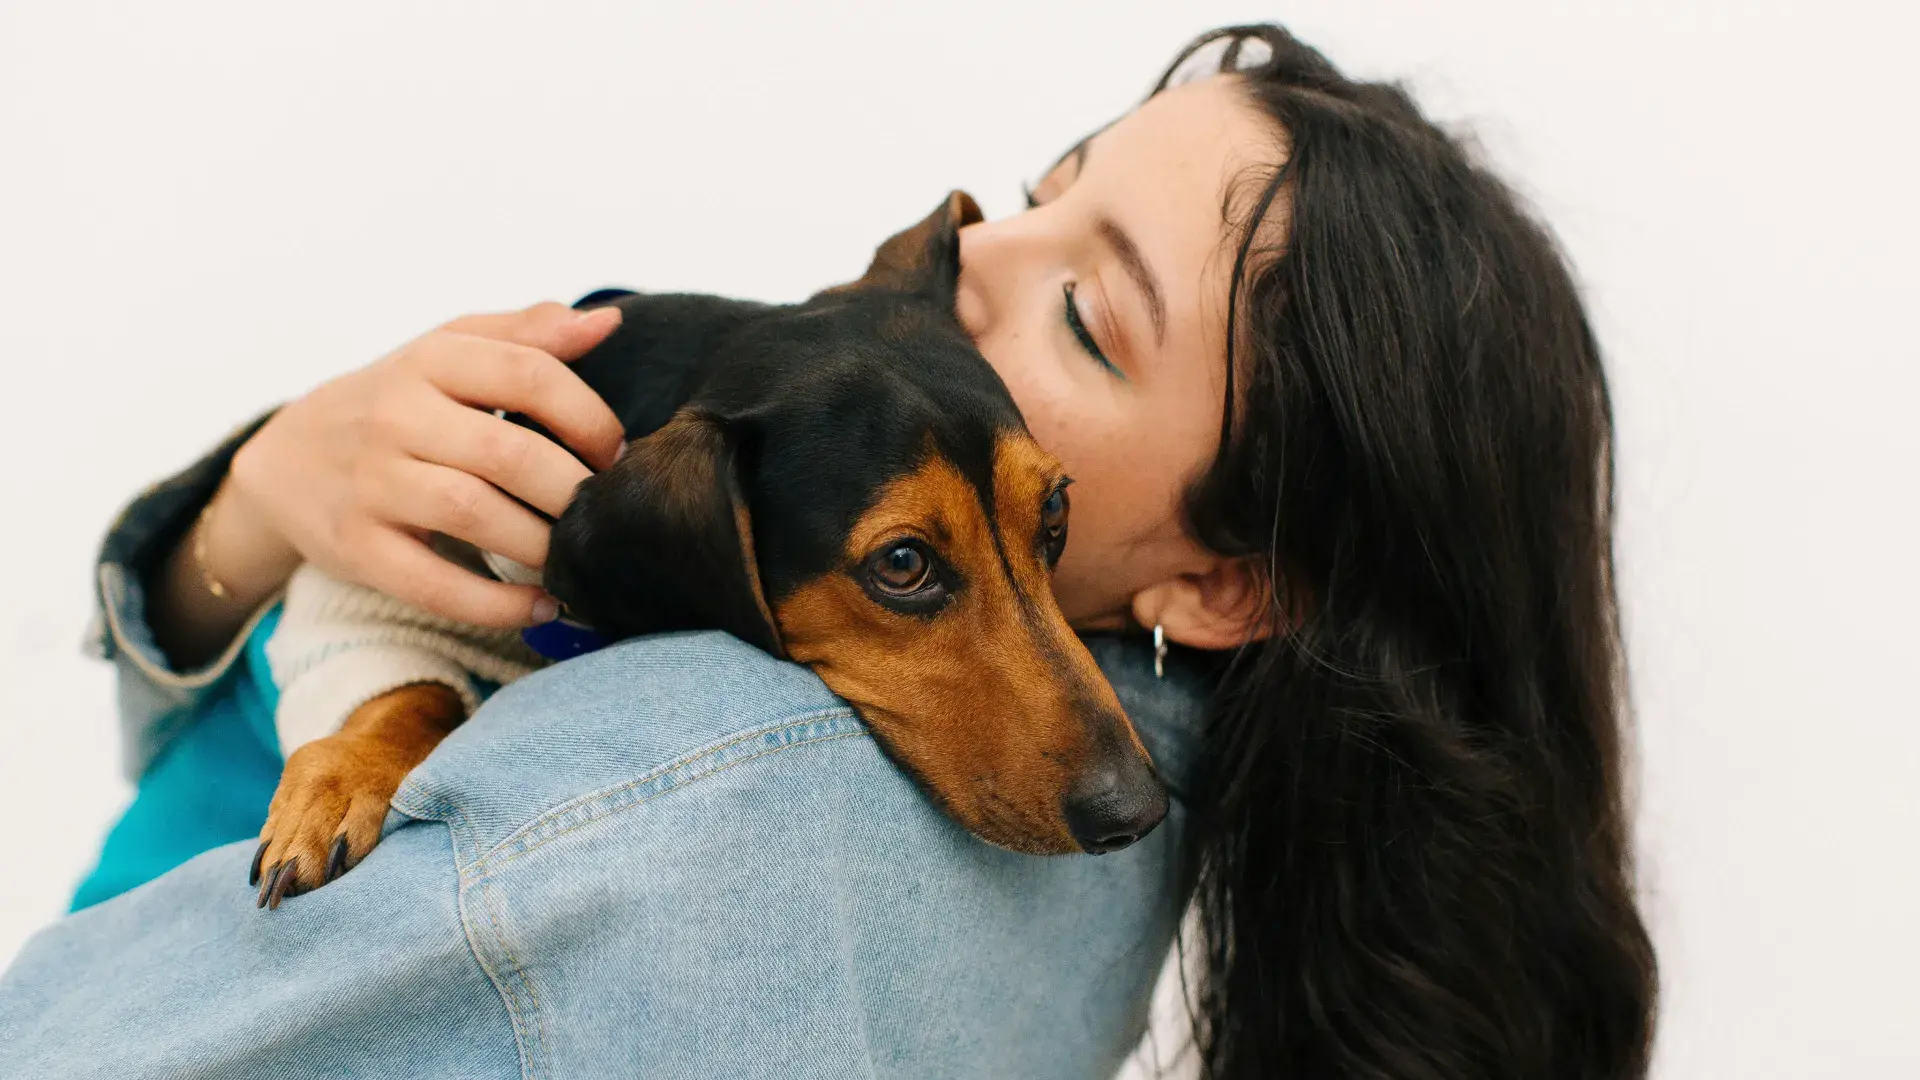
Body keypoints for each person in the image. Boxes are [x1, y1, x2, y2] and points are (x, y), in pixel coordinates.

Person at [0, 23, 1657, 1080]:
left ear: (1226, 579)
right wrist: (257, 506)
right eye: (1033, 192)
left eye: (1086, 314)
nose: (966, 254)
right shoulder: (1166, 742)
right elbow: (208, 776)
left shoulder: (699, 778)